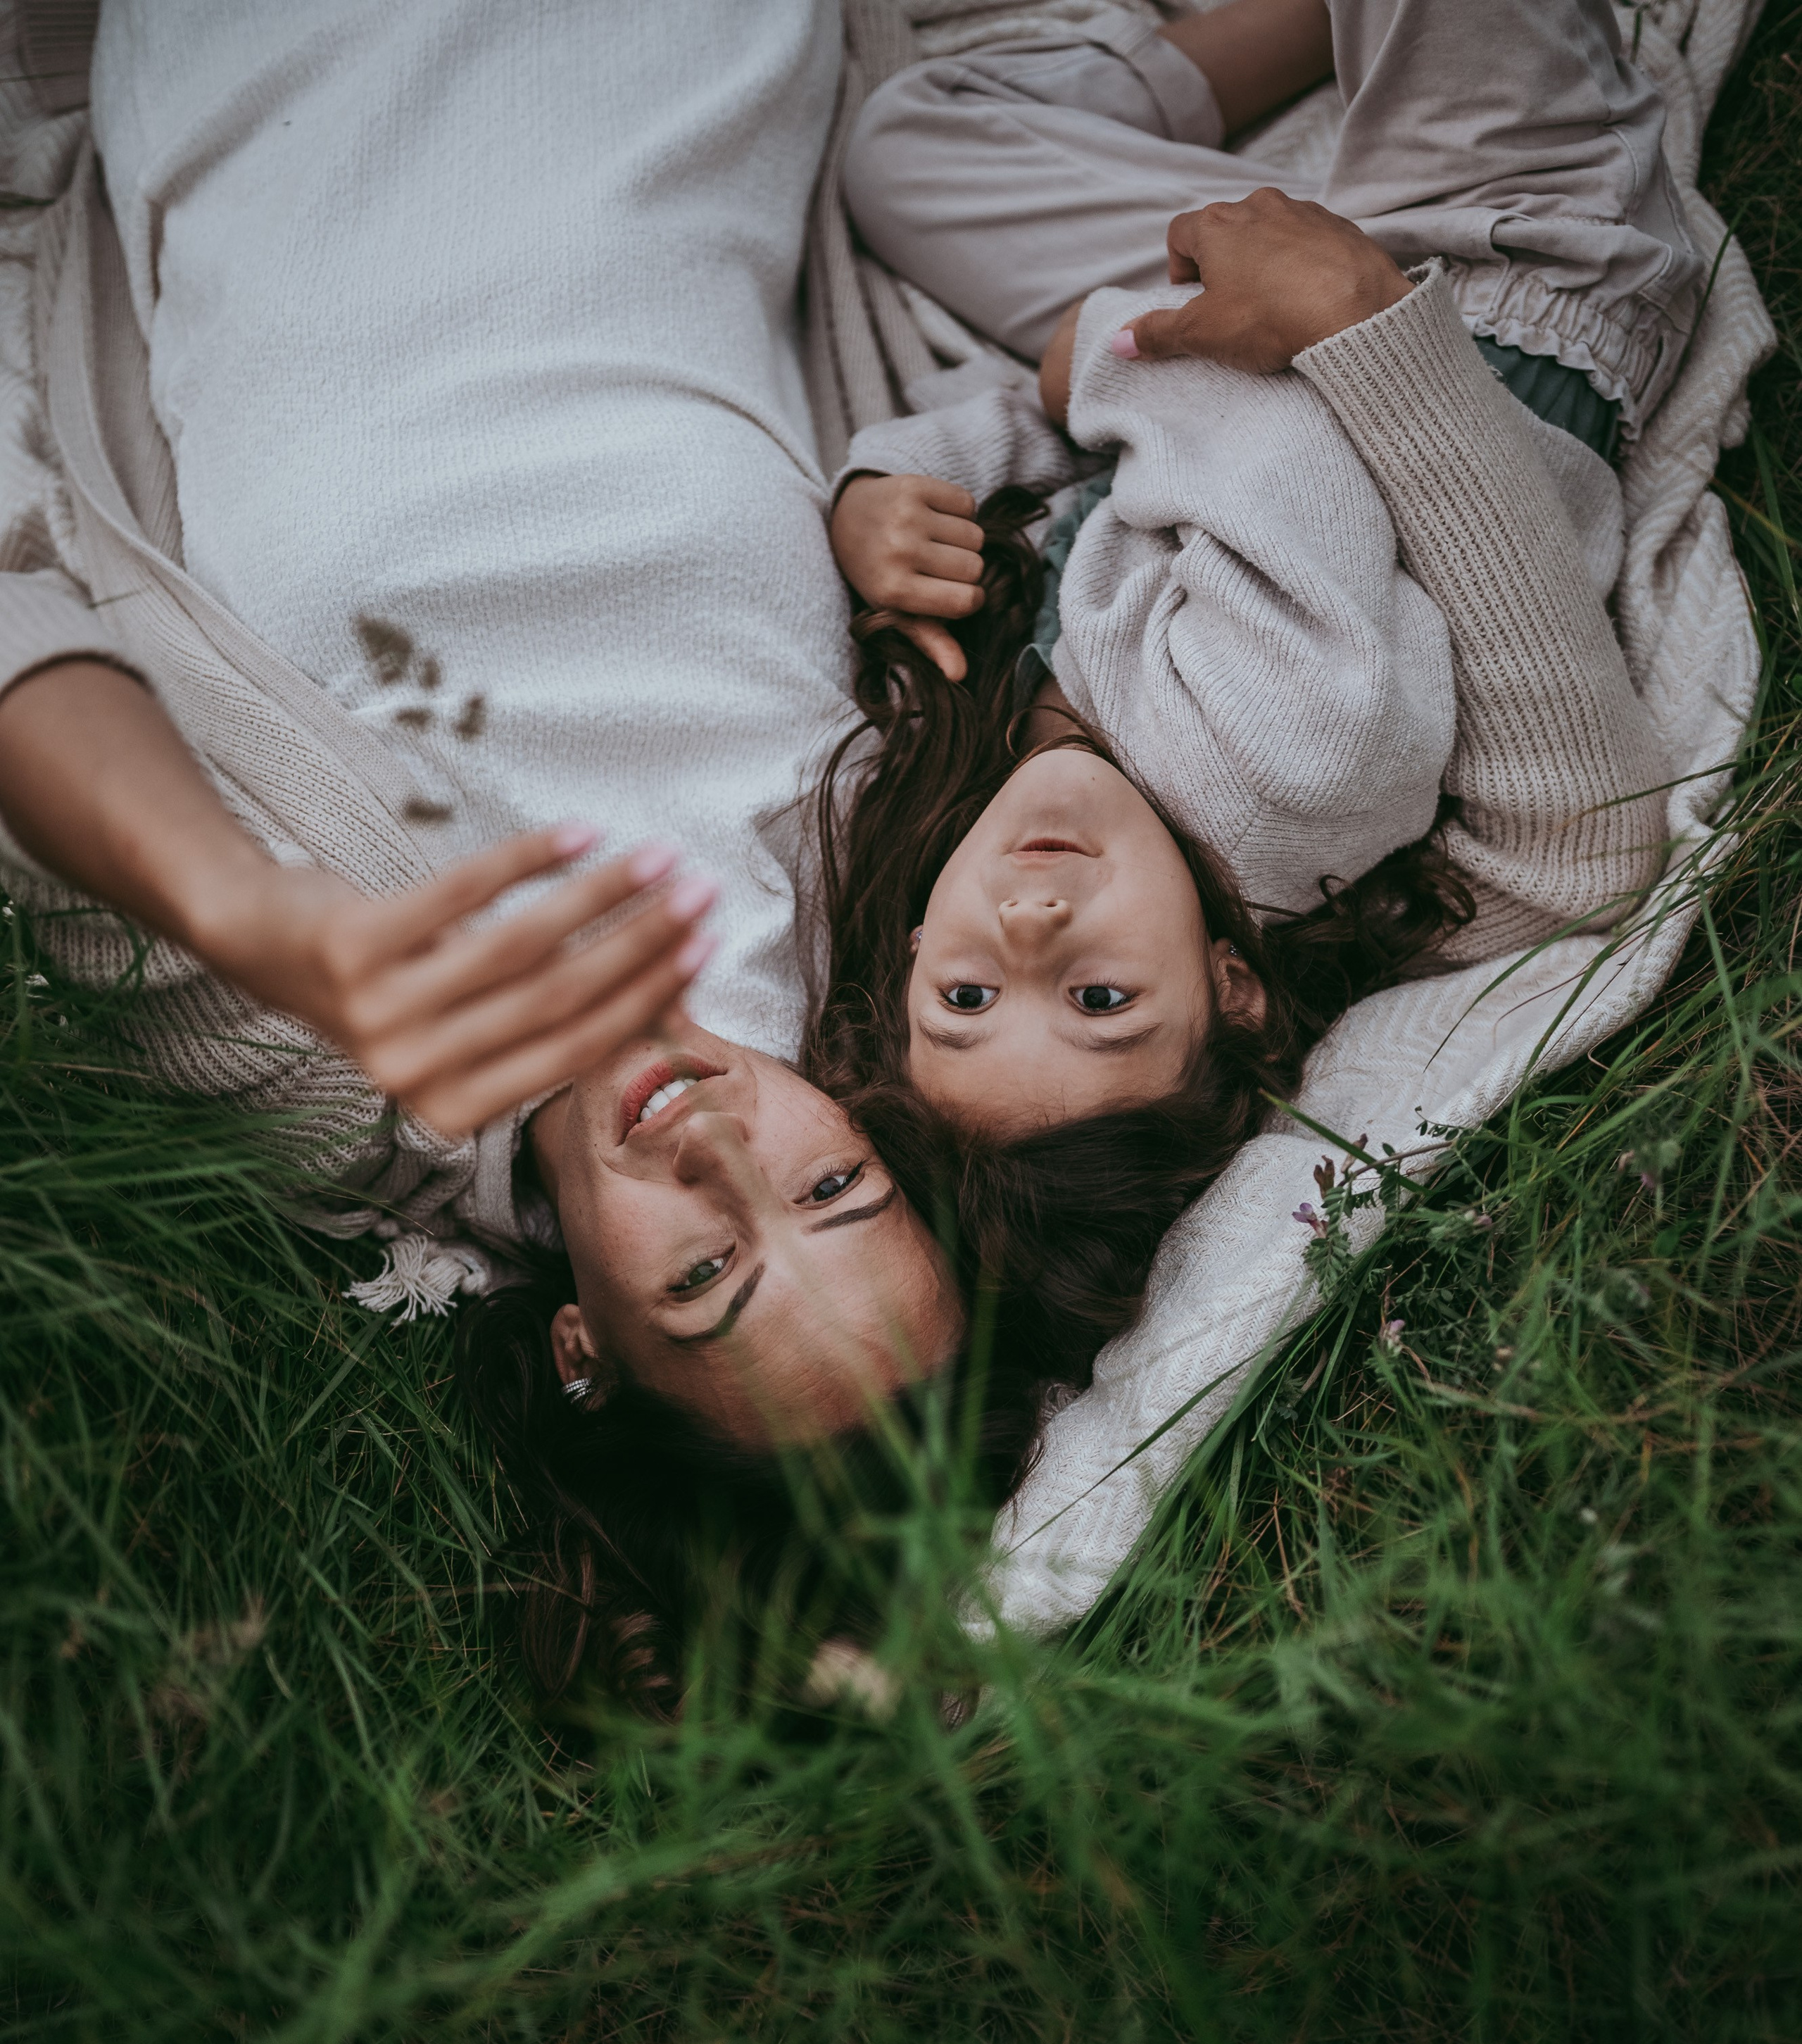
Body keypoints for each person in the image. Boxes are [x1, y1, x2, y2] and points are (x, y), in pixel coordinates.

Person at [0, 0, 996, 1707]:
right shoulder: (895, 902)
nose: (720, 1150)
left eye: (705, 1275)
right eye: (833, 1188)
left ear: (579, 1345)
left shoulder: (347, 1092)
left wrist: (245, 910)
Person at [800, 0, 1696, 1391]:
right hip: (1509, 269)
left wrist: (889, 492)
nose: (1027, 925)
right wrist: (1088, 356)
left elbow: (1070, 463)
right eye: (1100, 997)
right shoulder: (1284, 768)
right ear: (1232, 991)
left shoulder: (1013, 757)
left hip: (1258, 325)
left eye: (967, 995)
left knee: (904, 151)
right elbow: (1266, 412)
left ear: (911, 955)